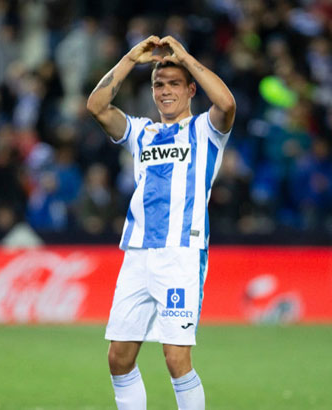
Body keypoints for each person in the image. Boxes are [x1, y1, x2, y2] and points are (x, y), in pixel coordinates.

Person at [86, 35, 236, 410]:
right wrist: (129, 59)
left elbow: (227, 102)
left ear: (190, 90)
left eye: (173, 84)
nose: (164, 91)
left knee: (176, 360)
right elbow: (97, 105)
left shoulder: (206, 131)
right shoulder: (142, 133)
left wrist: (185, 55)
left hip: (180, 255)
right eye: (158, 84)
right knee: (118, 358)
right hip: (137, 253)